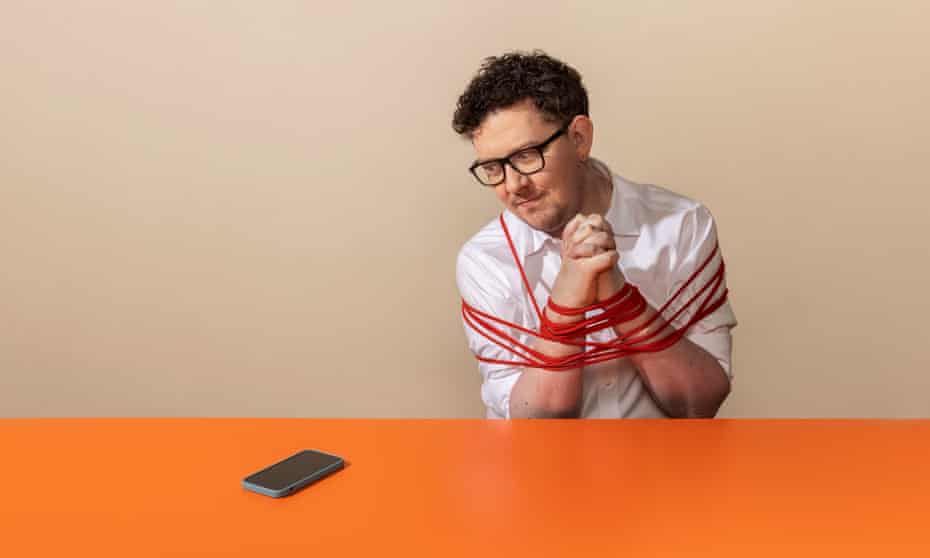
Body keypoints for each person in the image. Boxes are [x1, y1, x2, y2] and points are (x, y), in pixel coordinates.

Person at [452, 51, 737, 419]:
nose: (513, 185)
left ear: (579, 138)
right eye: (493, 167)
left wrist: (619, 297)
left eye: (526, 155)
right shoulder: (485, 260)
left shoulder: (683, 225)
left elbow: (699, 404)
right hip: (541, 460)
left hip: (664, 456)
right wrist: (566, 302)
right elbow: (535, 425)